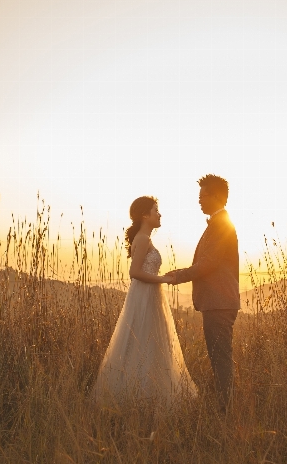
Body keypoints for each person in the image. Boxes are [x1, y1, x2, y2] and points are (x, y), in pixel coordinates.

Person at [92, 196, 197, 406]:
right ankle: (137, 397)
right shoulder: (142, 239)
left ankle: (149, 394)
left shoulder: (144, 239)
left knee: (151, 344)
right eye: (156, 210)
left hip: (150, 294)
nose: (159, 214)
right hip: (144, 296)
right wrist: (164, 279)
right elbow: (135, 272)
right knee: (142, 341)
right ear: (144, 215)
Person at [164, 174, 239, 409]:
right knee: (219, 356)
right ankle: (224, 405)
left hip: (219, 302)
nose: (199, 201)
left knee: (220, 358)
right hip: (218, 301)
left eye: (202, 196)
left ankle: (226, 408)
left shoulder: (221, 225)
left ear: (216, 196)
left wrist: (179, 275)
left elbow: (209, 263)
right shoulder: (218, 224)